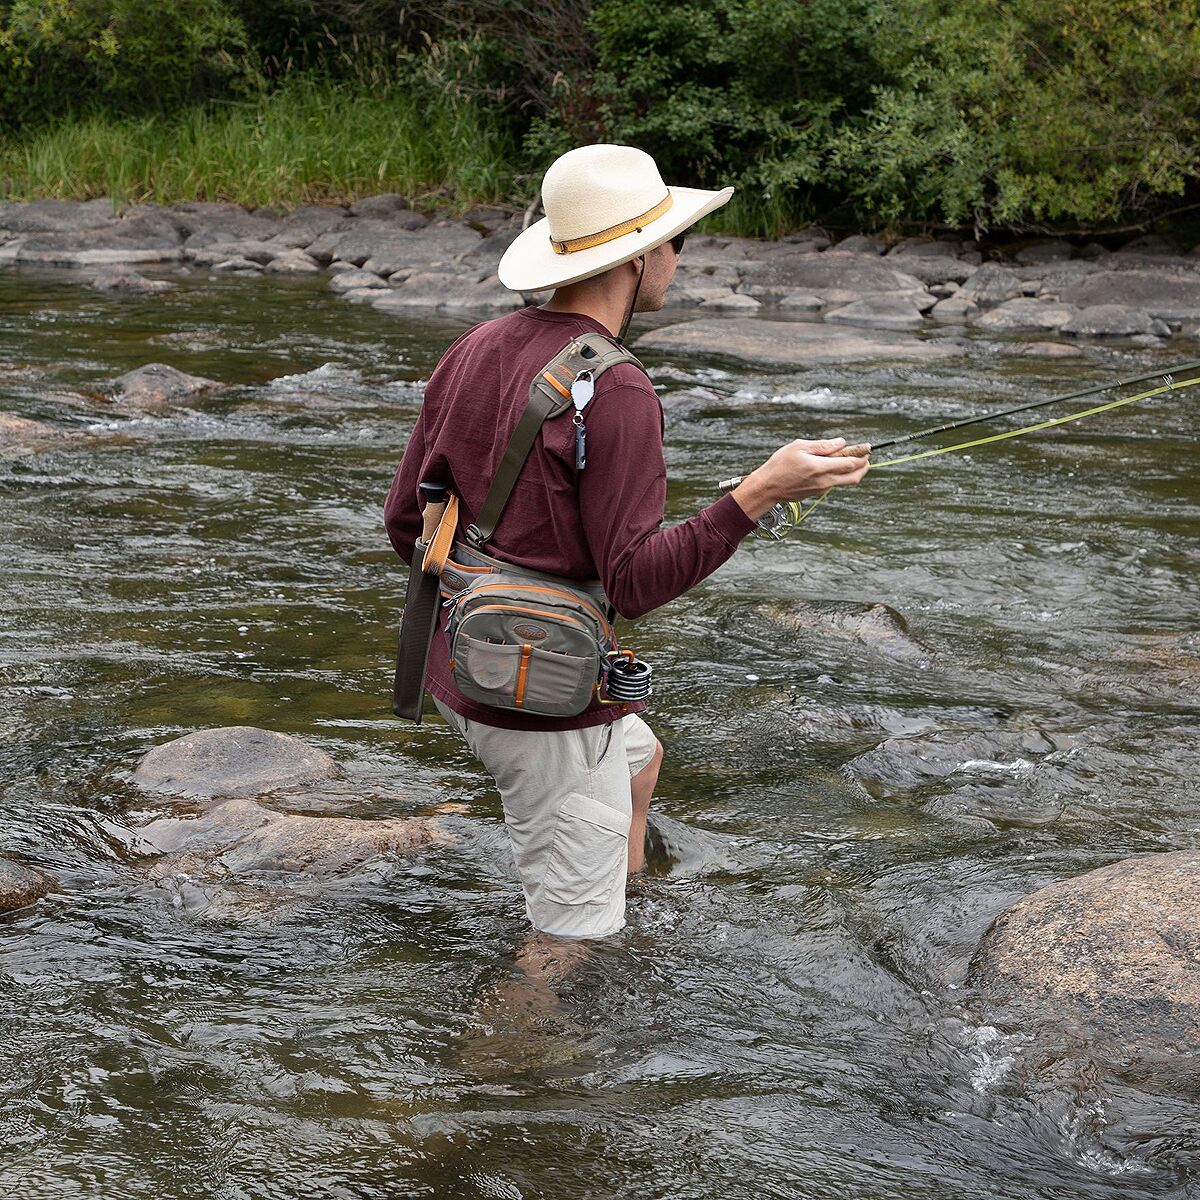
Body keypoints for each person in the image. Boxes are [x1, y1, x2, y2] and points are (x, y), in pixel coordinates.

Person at [384, 143, 868, 943]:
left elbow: (407, 520)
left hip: (459, 667)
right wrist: (758, 495)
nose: (680, 259)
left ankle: (626, 901)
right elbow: (637, 586)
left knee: (641, 757)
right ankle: (508, 1053)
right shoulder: (618, 388)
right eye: (678, 242)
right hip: (539, 706)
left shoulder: (476, 345)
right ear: (642, 256)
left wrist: (486, 601)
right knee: (566, 947)